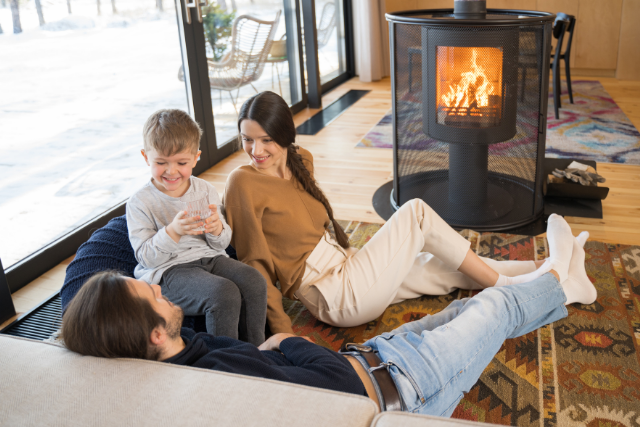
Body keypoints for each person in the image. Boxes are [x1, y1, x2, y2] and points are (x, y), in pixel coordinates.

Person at [61, 241, 596, 415]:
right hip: (404, 384)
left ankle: (567, 283)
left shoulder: (188, 350)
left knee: (467, 309)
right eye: (151, 294)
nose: (158, 287)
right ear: (156, 335)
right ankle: (560, 277)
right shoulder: (223, 378)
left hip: (381, 356)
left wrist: (281, 348)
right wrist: (291, 340)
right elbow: (336, 387)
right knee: (496, 309)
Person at [222, 91, 586, 334]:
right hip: (334, 295)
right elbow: (254, 264)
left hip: (350, 265)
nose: (256, 150)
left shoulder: (302, 161)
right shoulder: (243, 183)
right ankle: (514, 283)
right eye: (247, 140)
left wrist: (354, 259)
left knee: (445, 268)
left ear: (286, 134)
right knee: (415, 213)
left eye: (266, 139)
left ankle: (559, 275)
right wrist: (284, 335)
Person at [126, 109, 267, 345]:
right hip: (169, 271)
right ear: (146, 157)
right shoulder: (140, 203)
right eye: (161, 163)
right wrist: (173, 232)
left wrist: (217, 230)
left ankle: (257, 350)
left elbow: (223, 244)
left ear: (195, 157)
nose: (171, 171)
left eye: (181, 163)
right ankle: (225, 362)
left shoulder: (205, 190)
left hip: (211, 258)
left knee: (254, 280)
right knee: (223, 293)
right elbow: (146, 257)